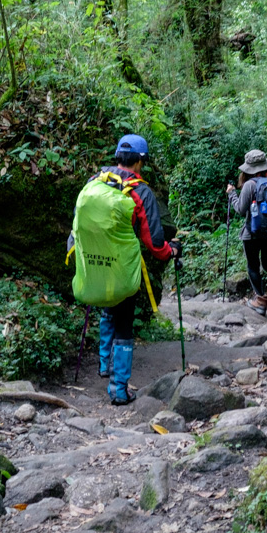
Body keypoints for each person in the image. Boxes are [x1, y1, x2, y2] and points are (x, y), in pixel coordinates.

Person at [93, 134, 180, 405]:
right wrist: (171, 251)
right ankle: (119, 389)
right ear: (140, 161)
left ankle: (104, 364)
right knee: (124, 323)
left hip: (95, 260)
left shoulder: (97, 181)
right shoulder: (140, 191)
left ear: (117, 156)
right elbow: (154, 242)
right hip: (123, 266)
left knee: (107, 309)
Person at [226, 148, 267, 316]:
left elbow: (241, 210)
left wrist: (231, 194)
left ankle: (260, 301)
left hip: (252, 233)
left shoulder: (250, 185)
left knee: (253, 266)